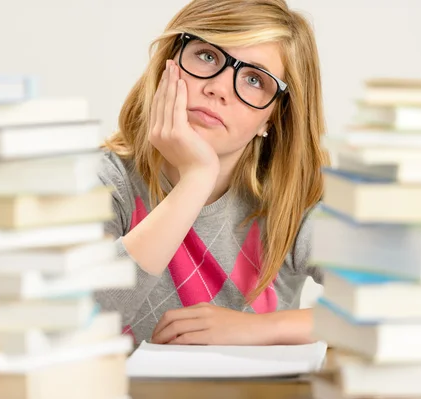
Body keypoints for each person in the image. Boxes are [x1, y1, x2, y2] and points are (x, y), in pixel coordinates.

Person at [95, 0, 328, 346]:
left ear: (274, 117)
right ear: (168, 64)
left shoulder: (294, 199)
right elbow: (78, 314)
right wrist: (196, 180)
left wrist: (260, 328)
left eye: (254, 79)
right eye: (207, 56)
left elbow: (390, 306)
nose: (218, 88)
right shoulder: (104, 180)